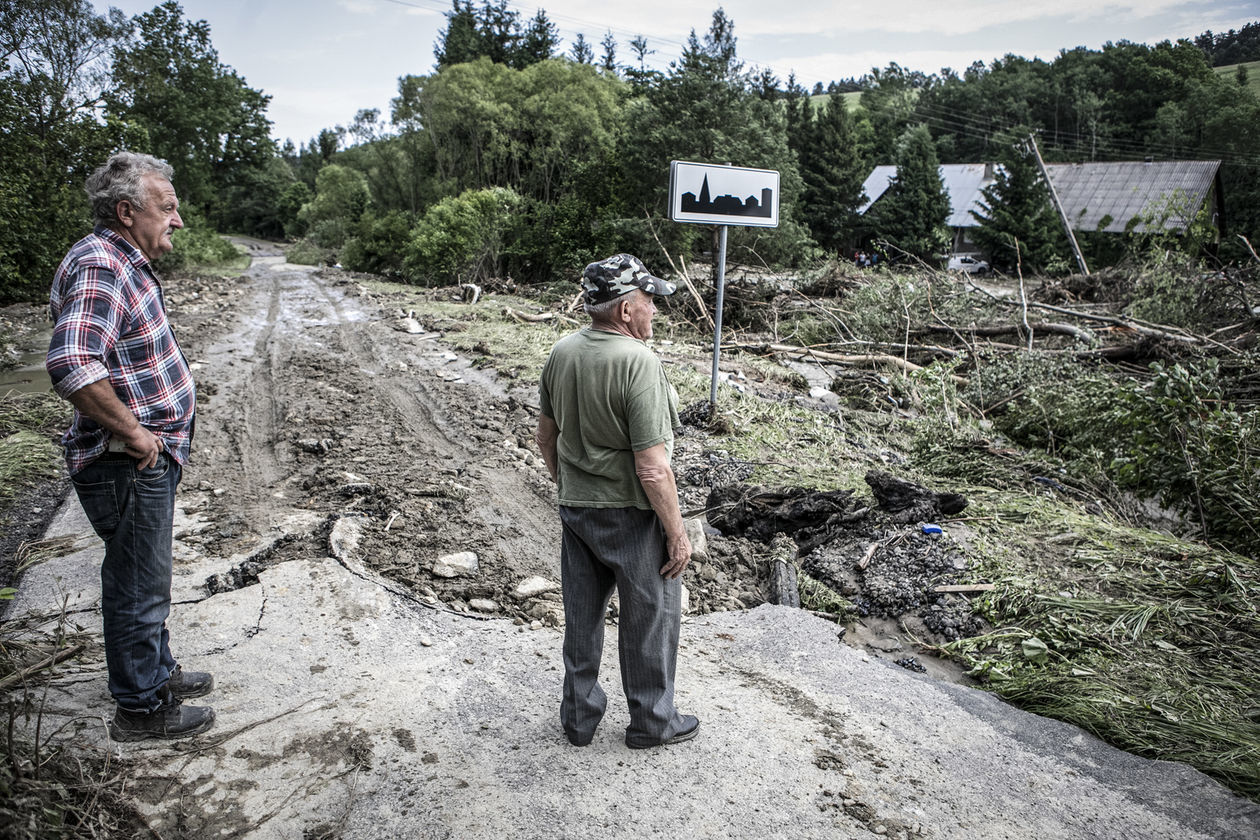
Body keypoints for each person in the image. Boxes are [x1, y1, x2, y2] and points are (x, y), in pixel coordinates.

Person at [45, 152, 215, 741]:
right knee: (138, 587)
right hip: (128, 462)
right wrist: (136, 433)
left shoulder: (121, 260)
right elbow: (71, 363)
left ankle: (157, 672)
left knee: (146, 578)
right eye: (167, 207)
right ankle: (141, 708)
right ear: (126, 211)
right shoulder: (101, 264)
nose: (178, 219)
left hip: (141, 460)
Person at [535, 253, 699, 749]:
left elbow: (546, 437)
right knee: (650, 617)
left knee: (582, 615)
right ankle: (652, 722)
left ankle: (579, 719)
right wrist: (676, 532)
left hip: (578, 509)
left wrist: (571, 485)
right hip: (631, 514)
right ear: (626, 310)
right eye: (649, 300)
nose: (653, 309)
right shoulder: (639, 363)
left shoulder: (562, 352)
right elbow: (653, 467)